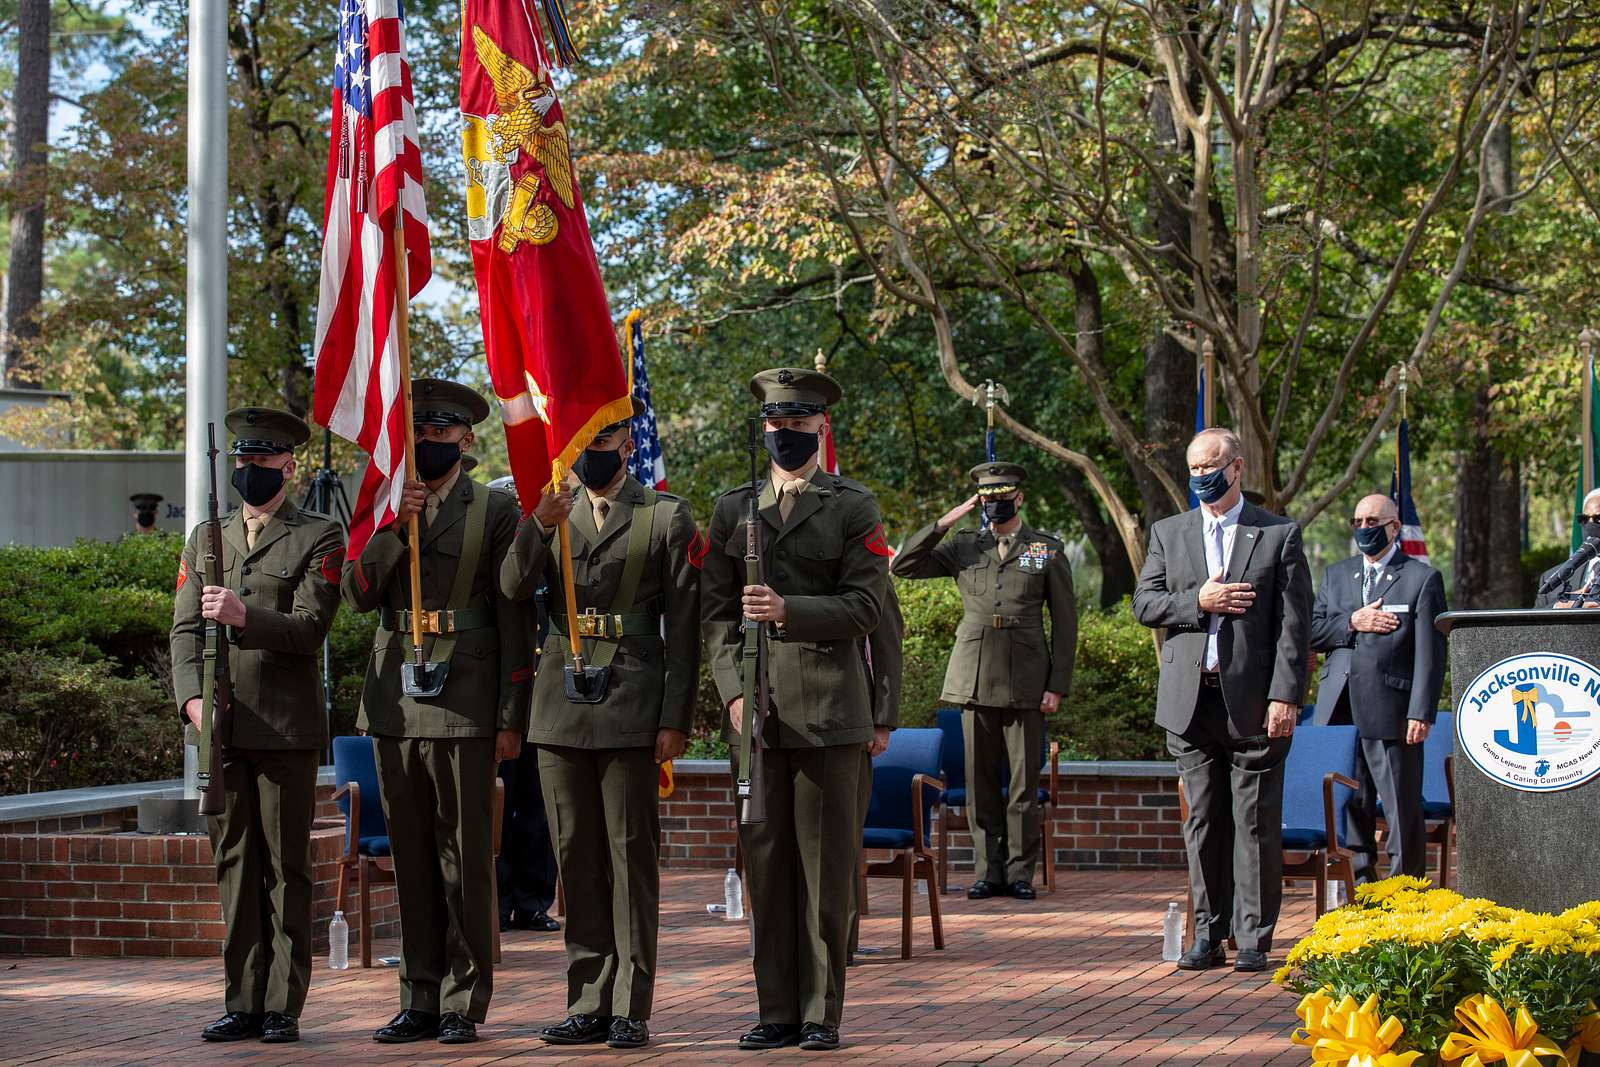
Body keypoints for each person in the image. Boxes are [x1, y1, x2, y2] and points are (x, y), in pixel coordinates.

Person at [500, 400, 699, 1051]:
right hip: (560, 708)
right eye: (582, 435)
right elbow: (509, 586)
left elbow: (686, 629)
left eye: (603, 435)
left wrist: (675, 717)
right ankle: (587, 997)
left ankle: (629, 1003)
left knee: (627, 858)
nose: (592, 447)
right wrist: (538, 524)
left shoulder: (664, 516)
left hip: (633, 704)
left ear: (625, 439)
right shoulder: (554, 511)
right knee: (577, 859)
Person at [701, 367, 889, 1052]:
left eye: (798, 424)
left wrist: (788, 610)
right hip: (758, 717)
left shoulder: (852, 506)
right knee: (767, 861)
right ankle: (775, 1007)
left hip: (828, 712)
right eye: (776, 425)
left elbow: (867, 606)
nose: (785, 435)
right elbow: (717, 615)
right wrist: (732, 690)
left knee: (823, 868)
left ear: (820, 427)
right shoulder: (735, 509)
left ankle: (819, 1011)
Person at [340, 379, 532, 1045]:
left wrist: (512, 711)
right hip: (396, 703)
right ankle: (417, 994)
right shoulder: (384, 499)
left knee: (466, 856)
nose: (430, 441)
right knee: (413, 855)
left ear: (465, 439)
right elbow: (358, 594)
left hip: (466, 702)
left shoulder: (496, 509)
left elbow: (515, 613)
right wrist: (396, 526)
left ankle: (463, 998)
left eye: (442, 431)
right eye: (419, 431)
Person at [170, 407, 344, 1044]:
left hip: (283, 728)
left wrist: (246, 615)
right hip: (221, 727)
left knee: (284, 869)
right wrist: (192, 704)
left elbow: (310, 629)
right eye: (243, 461)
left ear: (288, 467)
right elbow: (186, 630)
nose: (251, 471)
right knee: (234, 865)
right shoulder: (205, 538)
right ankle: (241, 998)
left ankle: (282, 1004)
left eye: (263, 462)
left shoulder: (318, 536)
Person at [1130, 427, 1311, 974]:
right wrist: (1198, 601)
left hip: (1254, 703)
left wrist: (1286, 696)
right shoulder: (1169, 532)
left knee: (1254, 822)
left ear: (1236, 468)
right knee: (1204, 821)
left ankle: (1254, 938)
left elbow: (1293, 628)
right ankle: (1207, 934)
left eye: (1210, 466)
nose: (1200, 477)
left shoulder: (1278, 535)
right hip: (1190, 703)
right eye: (1193, 468)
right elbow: (1145, 603)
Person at [891, 462, 1076, 900]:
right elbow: (904, 565)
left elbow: (1066, 623)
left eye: (1002, 496)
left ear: (1019, 497)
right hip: (973, 677)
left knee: (1023, 786)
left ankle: (1019, 874)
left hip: (1027, 679)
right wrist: (945, 521)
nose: (995, 504)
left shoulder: (1043, 549)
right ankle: (986, 872)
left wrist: (1057, 684)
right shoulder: (965, 546)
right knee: (979, 784)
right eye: (987, 498)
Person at [1310, 494, 1446, 882]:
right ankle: (1363, 892)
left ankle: (1408, 894)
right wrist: (1353, 621)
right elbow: (1314, 632)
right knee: (1352, 803)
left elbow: (1430, 653)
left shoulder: (1421, 578)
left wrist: (1421, 711)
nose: (1365, 529)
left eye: (1373, 521)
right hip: (1340, 709)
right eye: (1357, 522)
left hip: (1392, 709)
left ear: (1394, 527)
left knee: (1401, 808)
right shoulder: (1336, 575)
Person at [484, 474, 561, 937]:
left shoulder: (545, 554)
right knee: (496, 803)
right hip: (499, 696)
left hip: (541, 695)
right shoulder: (495, 555)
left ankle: (532, 899)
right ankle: (496, 898)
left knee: (535, 806)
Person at [849, 583, 902, 960]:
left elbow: (886, 645)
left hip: (849, 715)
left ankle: (840, 940)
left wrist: (882, 720)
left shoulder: (863, 556)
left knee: (840, 841)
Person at [1536, 489, 1600, 608]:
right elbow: (1532, 623)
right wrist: (1559, 607)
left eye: (1598, 519)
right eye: (1584, 519)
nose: (1590, 525)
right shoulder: (1552, 579)